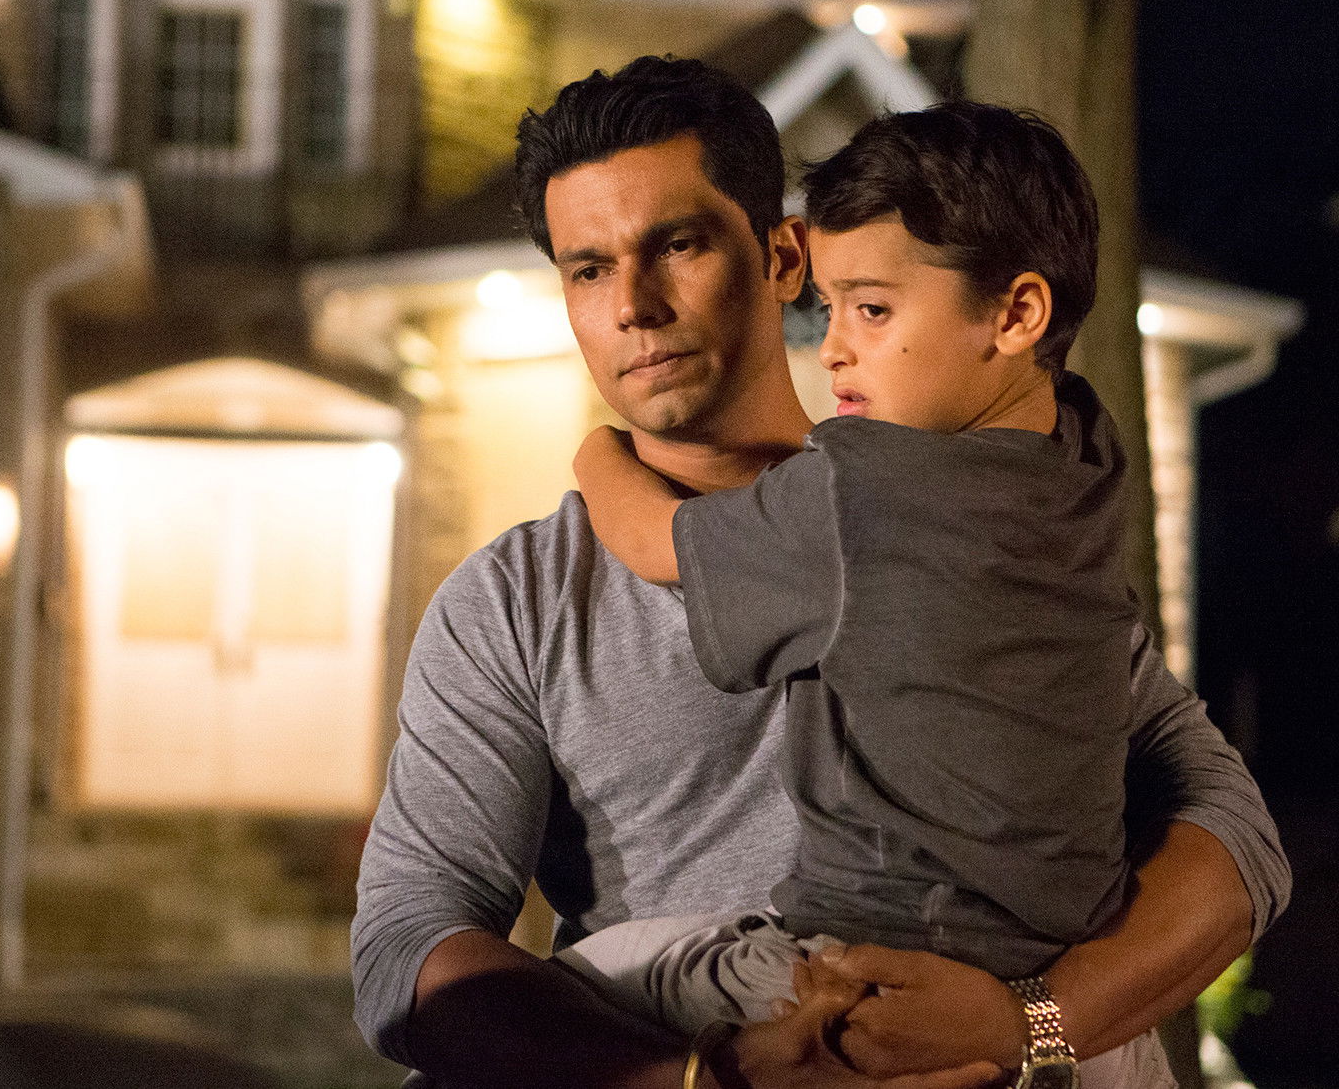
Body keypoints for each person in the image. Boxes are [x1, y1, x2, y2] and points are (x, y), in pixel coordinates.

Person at [351, 56, 1290, 1089]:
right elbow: (408, 944)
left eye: (678, 244)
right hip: (702, 1036)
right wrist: (702, 1078)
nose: (634, 306)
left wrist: (1027, 1021)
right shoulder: (515, 603)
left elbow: (1233, 840)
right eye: (587, 270)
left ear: (783, 256)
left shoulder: (974, 528)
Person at [558, 101, 1146, 1087]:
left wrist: (596, 451)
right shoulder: (1085, 459)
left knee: (568, 983)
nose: (832, 348)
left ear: (1016, 314)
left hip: (875, 967)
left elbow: (652, 540)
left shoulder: (858, 492)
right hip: (1062, 974)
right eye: (826, 309)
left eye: (871, 310)